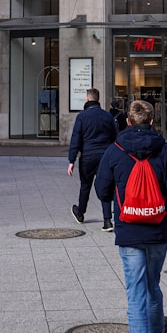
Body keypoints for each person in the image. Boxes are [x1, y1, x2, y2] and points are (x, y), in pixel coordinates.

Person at [94, 100, 167, 333]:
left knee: (135, 295)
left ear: (129, 122)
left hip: (130, 231)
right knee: (153, 285)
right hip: (158, 229)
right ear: (152, 121)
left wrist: (116, 207)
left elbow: (101, 189)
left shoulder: (115, 150)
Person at [68, 88, 119, 231]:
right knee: (106, 185)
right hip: (105, 155)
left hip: (88, 156)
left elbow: (76, 139)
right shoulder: (107, 116)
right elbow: (115, 137)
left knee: (85, 185)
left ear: (87, 99)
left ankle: (81, 213)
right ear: (98, 99)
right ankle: (107, 220)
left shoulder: (82, 117)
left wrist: (71, 160)